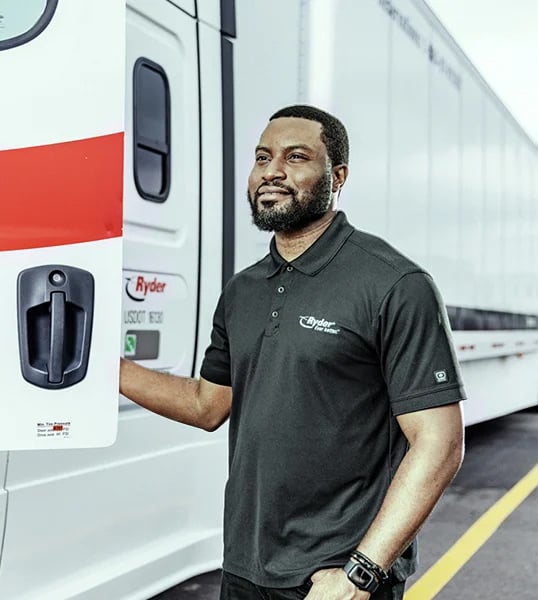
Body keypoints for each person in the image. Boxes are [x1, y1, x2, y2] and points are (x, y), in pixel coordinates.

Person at [119, 104, 465, 600]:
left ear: (337, 176)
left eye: (296, 157)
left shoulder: (394, 283)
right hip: (245, 568)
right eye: (263, 158)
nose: (272, 171)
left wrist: (361, 573)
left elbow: (439, 443)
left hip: (334, 578)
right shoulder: (243, 290)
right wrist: (106, 369)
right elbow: (206, 404)